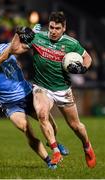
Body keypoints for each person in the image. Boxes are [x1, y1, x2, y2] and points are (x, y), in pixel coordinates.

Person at [8, 11, 96, 168]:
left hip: (62, 89)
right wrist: (18, 33)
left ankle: (87, 146)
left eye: (57, 28)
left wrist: (83, 68)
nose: (53, 31)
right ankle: (55, 152)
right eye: (51, 27)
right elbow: (15, 50)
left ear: (64, 28)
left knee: (76, 126)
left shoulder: (71, 43)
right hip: (41, 86)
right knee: (42, 115)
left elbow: (87, 58)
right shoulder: (37, 36)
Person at [0, 35, 58, 169]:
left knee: (51, 124)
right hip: (11, 104)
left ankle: (54, 143)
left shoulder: (3, 47)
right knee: (27, 129)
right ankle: (49, 161)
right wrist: (17, 35)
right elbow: (2, 58)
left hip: (28, 95)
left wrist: (32, 40)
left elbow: (21, 47)